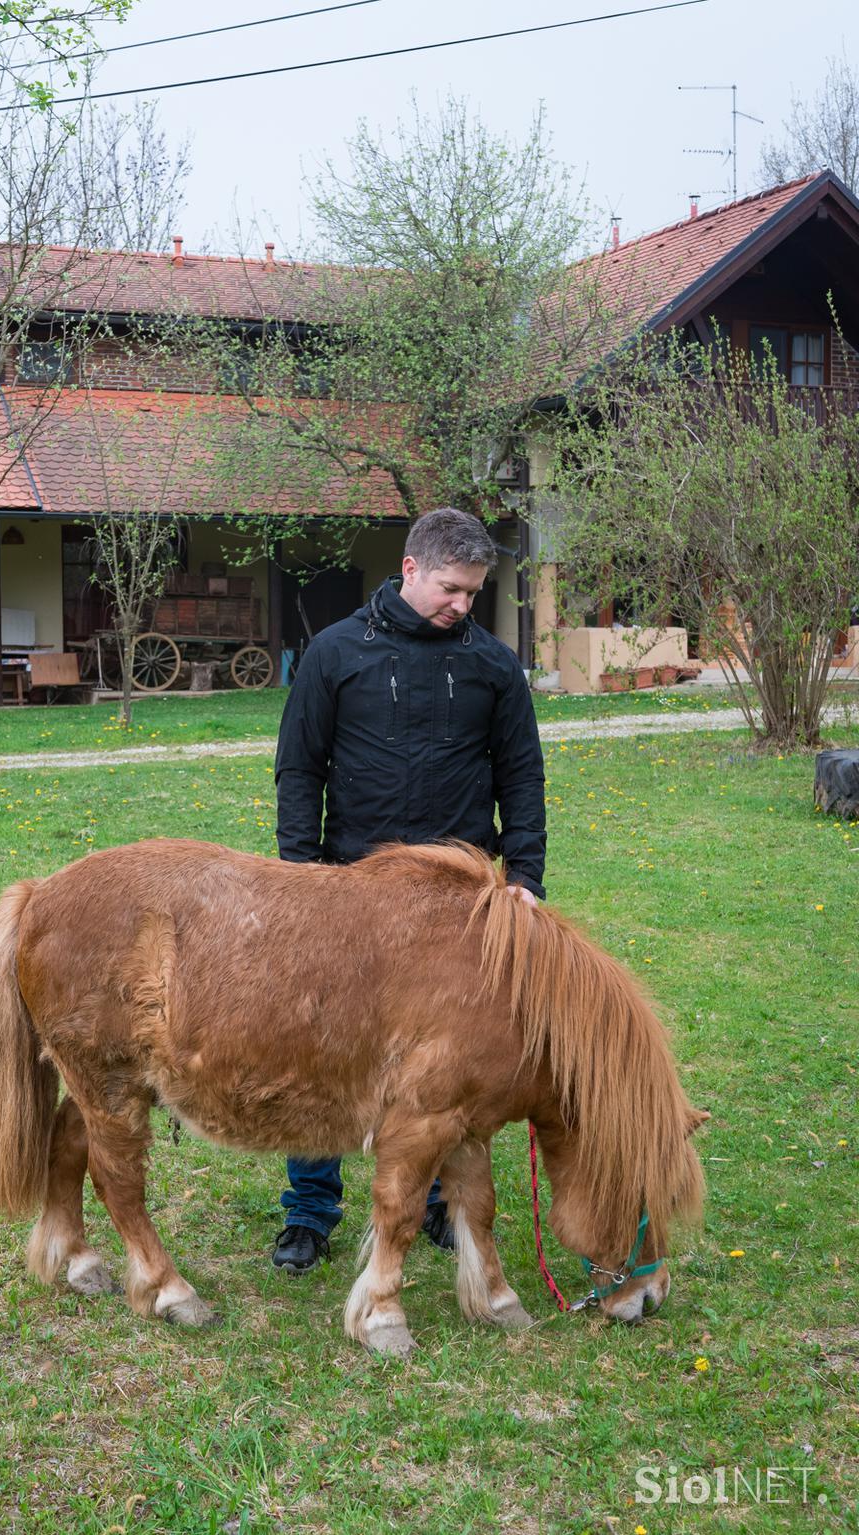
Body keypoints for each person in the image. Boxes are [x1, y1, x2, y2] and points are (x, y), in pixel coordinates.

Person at [270, 506, 546, 1272]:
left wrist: (525, 880)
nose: (464, 603)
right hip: (350, 894)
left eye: (474, 592)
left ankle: (430, 1199)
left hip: (460, 907)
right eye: (452, 588)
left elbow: (523, 778)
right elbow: (301, 770)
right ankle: (310, 1209)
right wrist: (303, 879)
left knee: (446, 1059)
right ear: (411, 570)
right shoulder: (334, 654)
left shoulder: (493, 666)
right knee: (324, 1051)